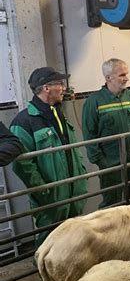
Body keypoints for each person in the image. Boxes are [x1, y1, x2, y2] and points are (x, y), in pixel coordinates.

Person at [10, 67, 88, 247]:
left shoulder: (57, 113)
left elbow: (70, 149)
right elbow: (22, 164)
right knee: (49, 243)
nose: (63, 88)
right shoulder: (24, 122)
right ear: (46, 88)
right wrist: (43, 190)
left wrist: (81, 175)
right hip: (51, 197)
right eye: (59, 84)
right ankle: (44, 274)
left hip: (73, 191)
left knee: (73, 242)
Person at [82, 59, 130, 208]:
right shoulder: (94, 101)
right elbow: (89, 135)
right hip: (111, 163)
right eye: (122, 75)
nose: (126, 78)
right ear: (108, 78)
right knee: (111, 204)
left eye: (126, 74)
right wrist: (101, 162)